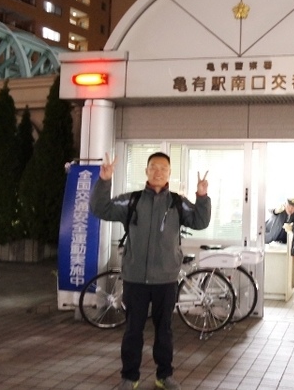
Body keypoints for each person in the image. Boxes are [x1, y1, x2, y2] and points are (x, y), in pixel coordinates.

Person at [90, 152, 211, 390]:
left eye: (163, 168)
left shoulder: (177, 203)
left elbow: (200, 221)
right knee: (133, 330)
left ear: (169, 173)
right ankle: (130, 377)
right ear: (146, 171)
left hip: (166, 280)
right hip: (136, 279)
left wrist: (202, 196)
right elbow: (100, 208)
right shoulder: (132, 201)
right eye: (153, 167)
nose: (158, 172)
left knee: (164, 330)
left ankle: (164, 376)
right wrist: (104, 181)